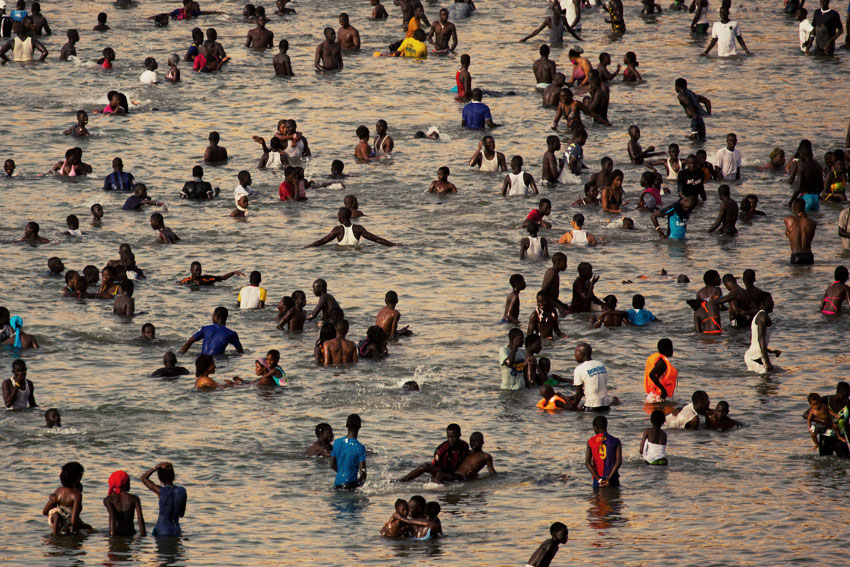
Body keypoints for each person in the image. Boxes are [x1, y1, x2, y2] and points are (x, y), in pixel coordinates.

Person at [397, 423, 470, 482]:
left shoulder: (464, 446)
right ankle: (402, 480)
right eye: (449, 437)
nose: (451, 439)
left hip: (456, 474)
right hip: (442, 472)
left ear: (459, 435)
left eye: (453, 437)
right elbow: (435, 467)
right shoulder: (441, 450)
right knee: (425, 466)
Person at [307, 207, 398, 248]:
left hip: (341, 255)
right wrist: (394, 245)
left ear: (340, 217)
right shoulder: (358, 228)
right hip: (356, 253)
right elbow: (376, 239)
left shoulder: (337, 230)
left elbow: (322, 242)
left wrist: (307, 247)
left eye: (338, 215)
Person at [43, 462, 93, 534]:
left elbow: (45, 512)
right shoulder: (76, 495)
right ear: (78, 479)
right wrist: (87, 526)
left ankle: (55, 535)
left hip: (56, 523)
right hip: (68, 524)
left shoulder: (58, 491)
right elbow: (73, 522)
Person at [140, 462, 186, 536]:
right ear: (173, 475)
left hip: (162, 530)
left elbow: (143, 478)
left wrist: (156, 467)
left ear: (160, 477)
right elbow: (181, 514)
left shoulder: (161, 491)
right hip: (176, 530)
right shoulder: (182, 491)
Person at [179, 306, 244, 355]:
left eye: (213, 315)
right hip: (218, 360)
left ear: (216, 317)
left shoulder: (205, 329)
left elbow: (189, 341)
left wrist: (181, 354)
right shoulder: (231, 334)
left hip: (201, 358)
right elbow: (240, 351)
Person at [103, 470, 146, 537]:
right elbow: (140, 519)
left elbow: (112, 517)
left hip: (116, 533)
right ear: (123, 484)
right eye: (128, 482)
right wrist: (143, 535)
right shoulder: (134, 498)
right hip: (130, 533)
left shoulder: (108, 500)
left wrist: (112, 536)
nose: (130, 485)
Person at [744, 293, 779, 373]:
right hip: (755, 357)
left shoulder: (760, 315)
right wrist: (767, 362)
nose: (773, 303)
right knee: (768, 381)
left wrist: (770, 352)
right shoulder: (762, 316)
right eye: (770, 300)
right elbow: (761, 338)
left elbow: (757, 341)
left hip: (753, 356)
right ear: (763, 303)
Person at [571, 343, 611, 411]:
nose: (574, 355)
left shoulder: (579, 369)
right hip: (606, 405)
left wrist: (572, 407)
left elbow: (579, 394)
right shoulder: (601, 364)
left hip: (592, 406)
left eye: (575, 353)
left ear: (582, 354)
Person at [331, 414, 367, 489]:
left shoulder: (337, 442)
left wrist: (342, 473)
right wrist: (358, 484)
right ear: (360, 426)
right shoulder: (360, 447)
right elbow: (363, 473)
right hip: (351, 485)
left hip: (337, 484)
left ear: (346, 425)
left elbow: (332, 464)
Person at [585, 416, 621, 488]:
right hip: (612, 477)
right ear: (606, 426)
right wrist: (608, 479)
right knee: (614, 497)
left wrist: (599, 479)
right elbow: (618, 462)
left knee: (597, 498)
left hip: (598, 477)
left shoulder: (591, 441)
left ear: (596, 428)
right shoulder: (615, 441)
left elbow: (587, 463)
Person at [788, 139, 823, 211]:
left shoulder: (803, 166)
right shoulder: (817, 165)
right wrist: (815, 195)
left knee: (800, 220)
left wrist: (790, 202)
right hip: (815, 199)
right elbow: (822, 186)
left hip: (805, 199)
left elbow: (798, 187)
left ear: (801, 153)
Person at [784, 198, 817, 265]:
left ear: (793, 208)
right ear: (805, 207)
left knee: (796, 274)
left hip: (796, 255)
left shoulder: (788, 220)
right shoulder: (813, 222)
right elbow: (811, 238)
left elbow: (787, 234)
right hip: (808, 256)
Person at [644, 339, 676, 403]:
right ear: (667, 350)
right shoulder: (662, 362)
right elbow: (651, 374)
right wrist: (663, 390)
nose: (672, 350)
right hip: (658, 397)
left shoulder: (661, 361)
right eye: (671, 348)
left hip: (653, 396)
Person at [177, 261, 244, 286]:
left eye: (200, 270)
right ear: (191, 271)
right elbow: (177, 283)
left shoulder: (207, 278)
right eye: (196, 270)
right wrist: (179, 284)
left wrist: (233, 272)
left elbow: (222, 278)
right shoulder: (186, 281)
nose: (198, 272)